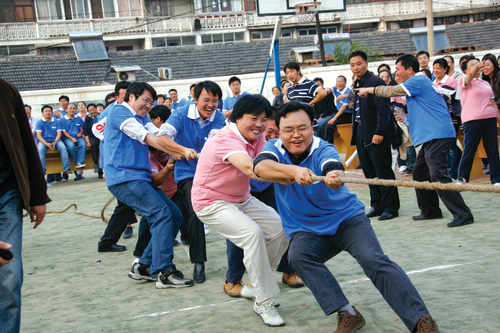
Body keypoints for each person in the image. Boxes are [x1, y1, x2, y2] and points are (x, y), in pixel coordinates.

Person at [253, 101, 440, 333]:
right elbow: (260, 168)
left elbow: (332, 167)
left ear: (313, 126)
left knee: (374, 259)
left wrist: (334, 176)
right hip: (307, 230)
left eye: (302, 128)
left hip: (346, 220)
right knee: (298, 255)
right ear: (279, 131)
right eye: (288, 130)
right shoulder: (273, 148)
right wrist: (293, 171)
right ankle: (347, 313)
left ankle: (421, 319)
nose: (296, 135)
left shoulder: (324, 148)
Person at [193, 94, 289, 327]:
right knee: (252, 233)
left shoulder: (257, 137)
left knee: (281, 228)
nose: (259, 124)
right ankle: (263, 301)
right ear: (237, 117)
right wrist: (292, 175)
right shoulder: (226, 138)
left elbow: (270, 159)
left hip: (240, 199)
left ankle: (256, 287)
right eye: (253, 117)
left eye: (264, 119)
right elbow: (251, 168)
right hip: (211, 202)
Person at [356, 54, 474, 228]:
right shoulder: (419, 82)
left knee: (438, 175)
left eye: (398, 69)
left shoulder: (417, 80)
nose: (396, 73)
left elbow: (391, 91)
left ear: (410, 69)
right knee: (419, 173)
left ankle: (463, 213)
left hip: (438, 134)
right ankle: (430, 210)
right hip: (432, 136)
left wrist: (370, 89)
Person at [102, 81, 195, 288]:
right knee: (161, 214)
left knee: (174, 215)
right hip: (125, 177)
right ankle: (163, 271)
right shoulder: (118, 111)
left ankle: (143, 265)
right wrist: (180, 149)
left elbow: (160, 133)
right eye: (145, 100)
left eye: (151, 102)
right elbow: (145, 136)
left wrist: (180, 144)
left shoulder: (142, 117)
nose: (148, 105)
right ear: (131, 97)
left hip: (139, 178)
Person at [157, 81, 226, 283]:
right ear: (195, 99)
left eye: (215, 100)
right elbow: (162, 138)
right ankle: (199, 262)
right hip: (186, 172)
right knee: (196, 210)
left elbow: (214, 144)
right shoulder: (180, 114)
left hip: (210, 172)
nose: (211, 105)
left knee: (191, 212)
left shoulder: (219, 117)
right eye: (206, 100)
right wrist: (181, 150)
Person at [0, 78, 51, 333]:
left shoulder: (6, 91)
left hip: (6, 194)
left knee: (9, 276)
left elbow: (26, 143)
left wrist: (38, 196)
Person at [349, 50, 400, 221]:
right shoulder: (357, 82)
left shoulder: (375, 82)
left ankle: (391, 207)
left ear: (366, 63)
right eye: (352, 65)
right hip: (361, 131)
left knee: (383, 169)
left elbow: (384, 110)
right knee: (369, 171)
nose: (356, 68)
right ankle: (377, 205)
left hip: (375, 132)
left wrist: (379, 132)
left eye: (359, 63)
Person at [457, 56, 500, 185]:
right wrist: (478, 66)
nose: (478, 66)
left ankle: (496, 179)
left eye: (478, 63)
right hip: (472, 119)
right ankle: (462, 177)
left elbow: (492, 103)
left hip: (490, 117)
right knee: (470, 149)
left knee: (492, 149)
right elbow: (469, 76)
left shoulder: (485, 83)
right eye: (473, 64)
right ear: (465, 70)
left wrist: (498, 117)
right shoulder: (463, 81)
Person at [35, 105, 72, 177]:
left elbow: (59, 133)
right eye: (46, 111)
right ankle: (42, 170)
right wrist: (47, 144)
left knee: (63, 148)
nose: (48, 113)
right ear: (42, 113)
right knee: (40, 149)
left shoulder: (57, 122)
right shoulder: (39, 122)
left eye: (49, 111)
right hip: (44, 141)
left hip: (56, 140)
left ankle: (66, 168)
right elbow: (39, 136)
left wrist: (55, 142)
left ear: (52, 113)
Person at [318, 75, 353, 144]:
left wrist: (334, 118)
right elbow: (330, 89)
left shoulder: (347, 91)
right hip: (340, 114)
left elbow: (343, 108)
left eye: (341, 82)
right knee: (322, 127)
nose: (339, 83)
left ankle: (329, 147)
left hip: (347, 115)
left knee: (329, 126)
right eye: (337, 81)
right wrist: (327, 89)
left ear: (345, 83)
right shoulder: (336, 88)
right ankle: (322, 145)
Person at [61, 103, 87, 177]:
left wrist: (80, 133)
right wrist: (71, 138)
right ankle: (77, 162)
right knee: (71, 146)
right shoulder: (63, 119)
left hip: (78, 137)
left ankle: (80, 162)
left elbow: (83, 127)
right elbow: (64, 132)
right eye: (70, 108)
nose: (72, 110)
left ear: (75, 109)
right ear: (67, 109)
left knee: (83, 144)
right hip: (68, 138)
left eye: (73, 108)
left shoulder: (78, 118)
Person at [83, 103, 102, 177]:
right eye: (90, 110)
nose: (92, 111)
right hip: (93, 136)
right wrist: (88, 141)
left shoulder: (101, 116)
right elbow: (86, 131)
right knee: (93, 144)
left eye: (93, 109)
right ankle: (96, 164)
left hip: (103, 135)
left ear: (96, 109)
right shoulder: (88, 118)